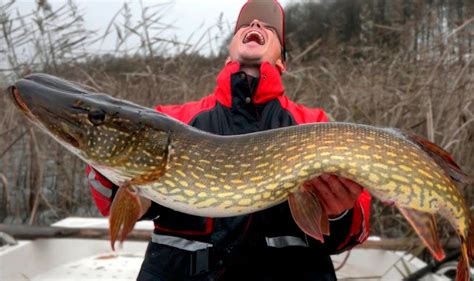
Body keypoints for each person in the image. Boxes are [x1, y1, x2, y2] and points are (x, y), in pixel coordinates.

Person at [86, 1, 371, 280]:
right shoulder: (172, 121)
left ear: (282, 61)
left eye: (269, 26)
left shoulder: (314, 125)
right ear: (228, 55)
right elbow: (124, 204)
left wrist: (339, 213)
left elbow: (349, 235)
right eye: (246, 23)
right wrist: (107, 163)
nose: (256, 24)